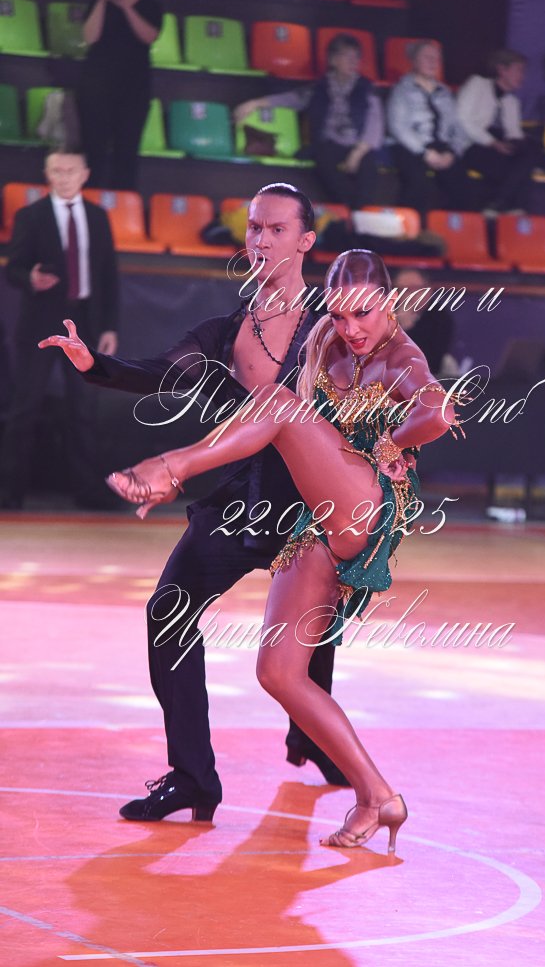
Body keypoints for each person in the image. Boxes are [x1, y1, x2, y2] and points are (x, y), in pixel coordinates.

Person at [105, 249, 462, 852]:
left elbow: (439, 411)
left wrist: (393, 443)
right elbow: (279, 428)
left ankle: (170, 469)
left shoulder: (401, 355)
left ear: (389, 303)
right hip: (316, 516)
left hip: (366, 503)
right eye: (340, 314)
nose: (350, 328)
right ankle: (378, 796)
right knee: (278, 673)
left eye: (363, 314)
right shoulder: (325, 339)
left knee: (277, 402)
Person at [37, 183, 348, 822]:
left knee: (314, 634)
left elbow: (384, 388)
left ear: (306, 240)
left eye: (277, 230)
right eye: (254, 228)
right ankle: (192, 777)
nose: (261, 240)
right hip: (241, 501)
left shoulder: (335, 324)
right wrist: (93, 363)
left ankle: (316, 740)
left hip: (312, 507)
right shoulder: (229, 330)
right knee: (169, 612)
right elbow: (163, 371)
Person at [0, 149, 118, 510]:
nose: (63, 177)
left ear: (85, 174)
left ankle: (89, 492)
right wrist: (30, 278)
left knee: (83, 408)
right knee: (24, 407)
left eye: (70, 171)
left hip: (84, 322)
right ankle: (8, 491)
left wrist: (109, 327)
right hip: (39, 322)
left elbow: (108, 275)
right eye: (56, 170)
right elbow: (13, 269)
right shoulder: (30, 215)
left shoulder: (98, 217)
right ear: (47, 174)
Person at [234, 34, 383, 210]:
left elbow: (375, 124)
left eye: (356, 57)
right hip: (329, 143)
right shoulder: (320, 88)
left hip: (359, 145)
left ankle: (359, 212)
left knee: (368, 168)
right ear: (333, 60)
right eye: (347, 56)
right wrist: (256, 103)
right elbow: (291, 99)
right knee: (324, 161)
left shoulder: (367, 89)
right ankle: (352, 211)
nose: (353, 61)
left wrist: (358, 152)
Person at [76, 0, 162, 190]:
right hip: (97, 83)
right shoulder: (99, 0)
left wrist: (126, 6)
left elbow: (148, 36)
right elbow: (90, 37)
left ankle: (123, 200)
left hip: (134, 87)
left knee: (127, 150)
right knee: (93, 147)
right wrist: (102, 1)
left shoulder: (151, 4)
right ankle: (91, 196)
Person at [387, 41, 469, 215]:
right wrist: (424, 153)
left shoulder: (445, 92)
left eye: (436, 58)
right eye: (427, 57)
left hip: (442, 146)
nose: (433, 62)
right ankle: (412, 226)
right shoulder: (402, 90)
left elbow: (458, 128)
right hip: (411, 146)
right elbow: (398, 127)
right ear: (414, 61)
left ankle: (449, 226)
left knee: (461, 183)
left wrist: (453, 152)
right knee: (418, 183)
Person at [456, 49, 537, 217]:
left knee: (528, 154)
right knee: (519, 172)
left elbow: (514, 133)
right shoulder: (477, 84)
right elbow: (462, 120)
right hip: (472, 144)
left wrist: (515, 144)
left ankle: (498, 204)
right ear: (502, 70)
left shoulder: (512, 101)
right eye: (519, 70)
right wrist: (492, 142)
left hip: (498, 147)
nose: (522, 76)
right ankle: (509, 206)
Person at [391, 268, 457, 378]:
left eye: (415, 289)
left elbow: (431, 361)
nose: (410, 295)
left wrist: (407, 329)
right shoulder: (384, 314)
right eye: (402, 289)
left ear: (428, 290)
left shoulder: (440, 318)